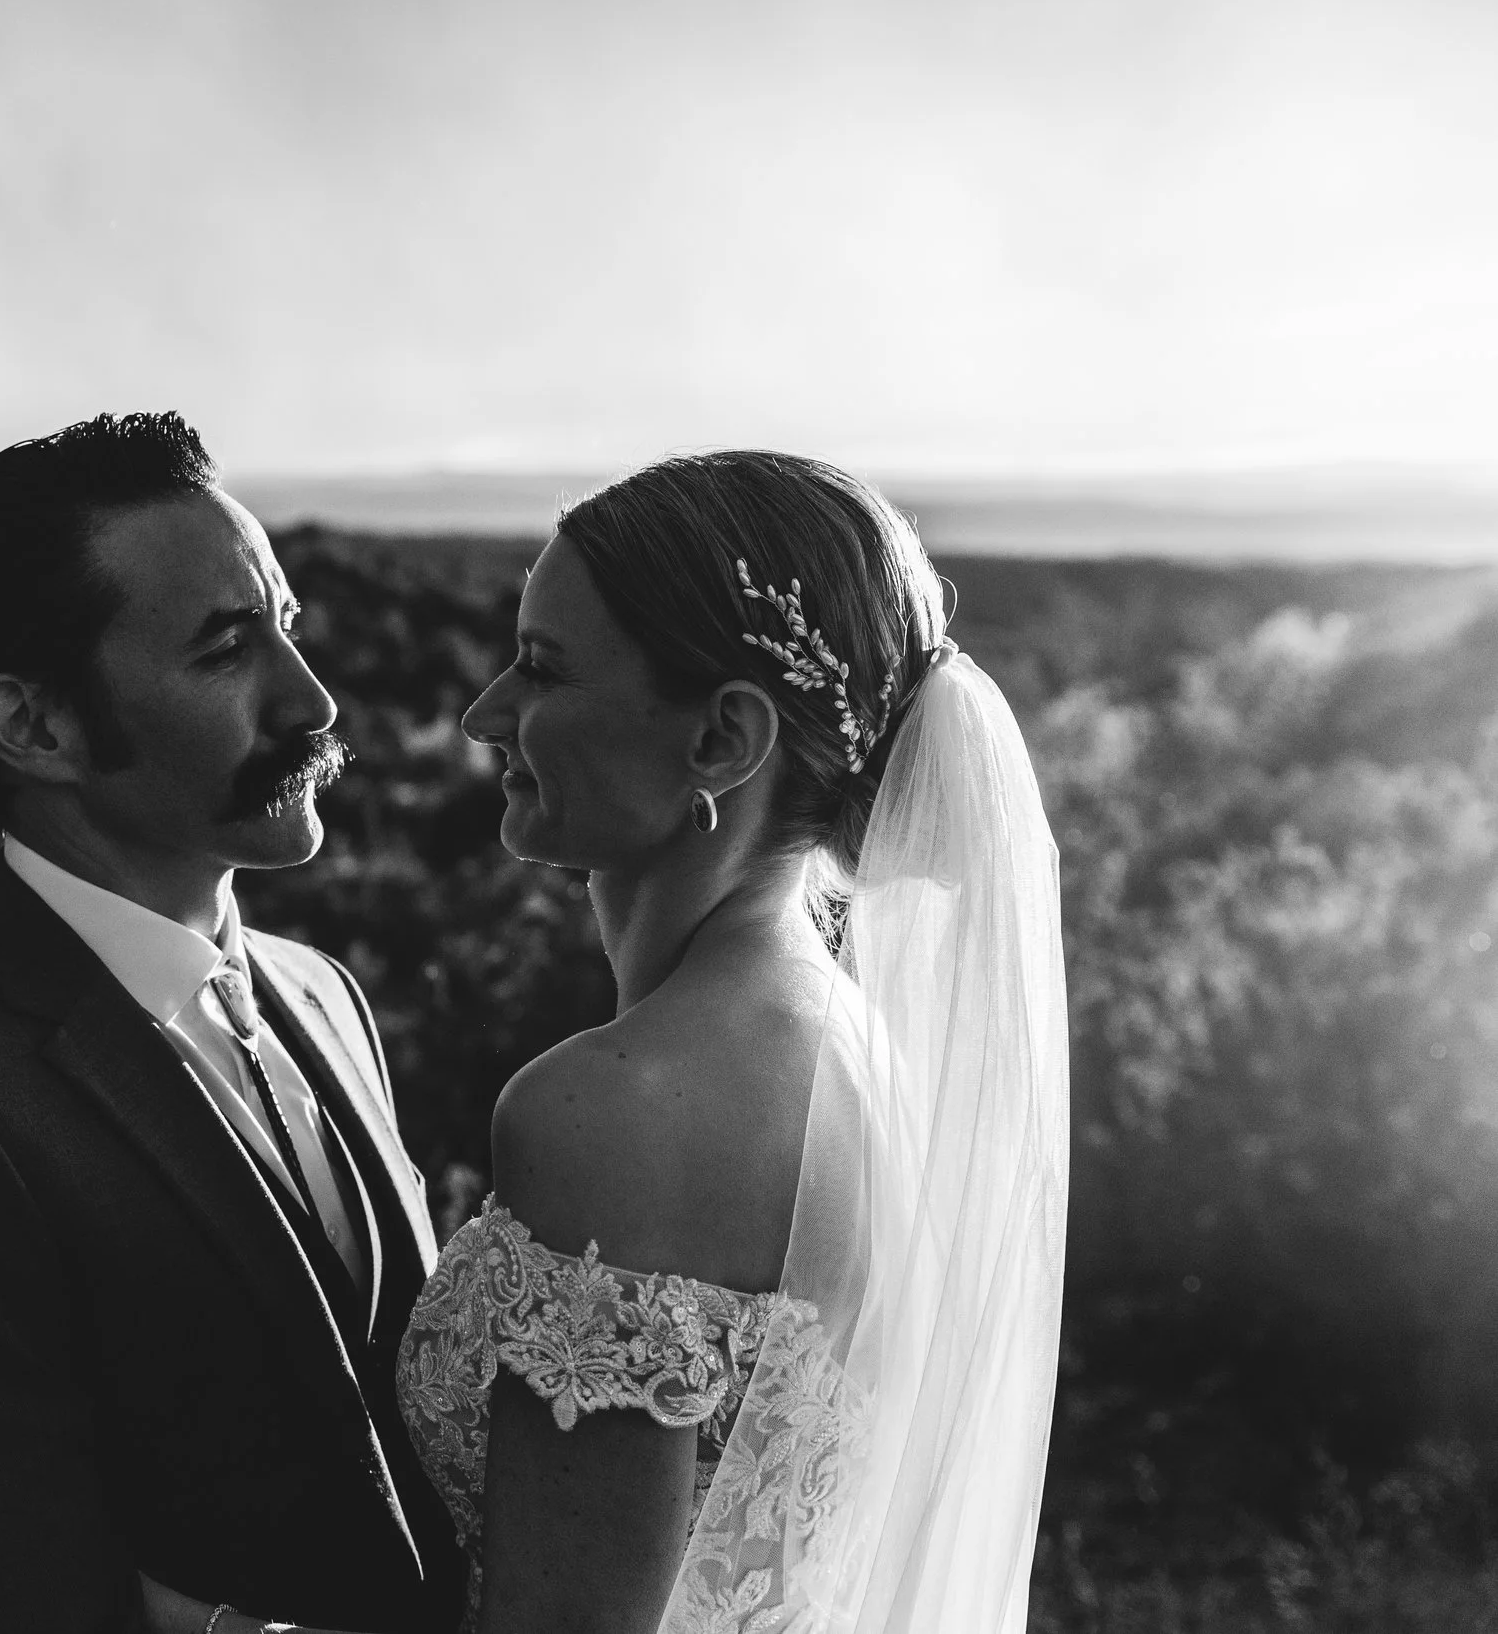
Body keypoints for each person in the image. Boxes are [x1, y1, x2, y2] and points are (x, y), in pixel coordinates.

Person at [145, 450, 1068, 1633]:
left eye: (541, 667)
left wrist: (184, 1623)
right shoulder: (856, 1046)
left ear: (720, 739)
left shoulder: (620, 1112)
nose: (484, 712)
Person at [0, 413, 468, 1634]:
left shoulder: (325, 995)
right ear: (33, 728)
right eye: (226, 649)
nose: (311, 699)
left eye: (287, 625)